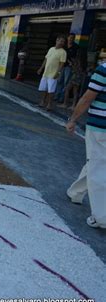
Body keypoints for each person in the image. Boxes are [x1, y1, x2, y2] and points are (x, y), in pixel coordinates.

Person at [65, 61, 106, 229]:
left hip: (100, 127)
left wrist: (73, 119)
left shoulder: (104, 69)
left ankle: (101, 217)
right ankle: (76, 192)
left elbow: (88, 97)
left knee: (98, 166)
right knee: (97, 160)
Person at [37, 35, 66, 111]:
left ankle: (49, 104)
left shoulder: (63, 52)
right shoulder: (51, 49)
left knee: (51, 90)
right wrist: (41, 68)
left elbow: (61, 64)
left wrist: (58, 73)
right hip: (45, 73)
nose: (61, 43)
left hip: (53, 74)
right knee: (43, 88)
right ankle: (43, 102)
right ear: (57, 40)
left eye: (63, 42)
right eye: (60, 41)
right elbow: (46, 59)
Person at [55, 33, 79, 102]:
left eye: (72, 38)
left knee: (66, 82)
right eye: (70, 37)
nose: (71, 39)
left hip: (69, 67)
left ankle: (62, 98)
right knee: (59, 81)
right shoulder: (64, 46)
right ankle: (56, 96)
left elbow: (76, 57)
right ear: (67, 38)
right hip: (62, 65)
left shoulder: (76, 47)